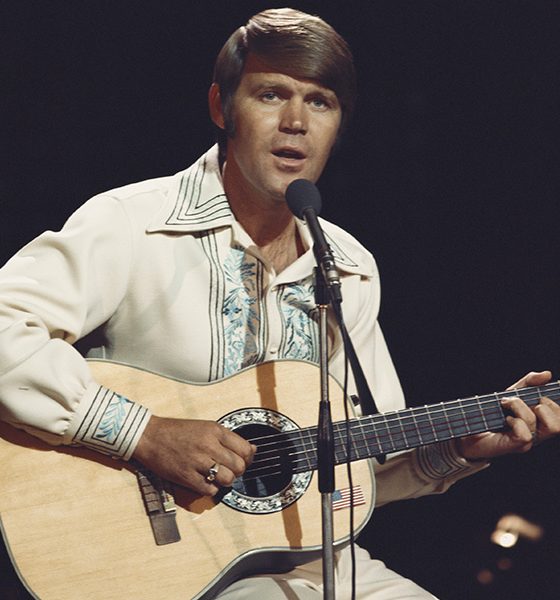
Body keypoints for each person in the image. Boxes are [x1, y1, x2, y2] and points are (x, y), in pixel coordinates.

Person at [0, 8, 559, 600]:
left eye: (320, 102)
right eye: (271, 94)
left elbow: (355, 469)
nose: (296, 122)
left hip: (317, 560)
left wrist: (457, 451)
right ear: (222, 108)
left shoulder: (347, 264)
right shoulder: (132, 223)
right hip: (151, 563)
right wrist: (145, 432)